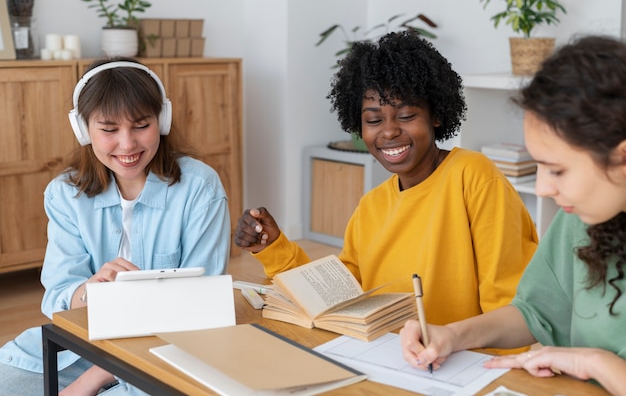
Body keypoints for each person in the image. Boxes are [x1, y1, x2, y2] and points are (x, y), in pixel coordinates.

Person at [235, 31, 538, 329]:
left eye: (406, 116)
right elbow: (339, 293)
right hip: (388, 356)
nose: (389, 131)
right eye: (374, 120)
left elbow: (509, 299)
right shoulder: (372, 206)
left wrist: (499, 372)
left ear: (436, 115)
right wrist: (273, 246)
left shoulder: (475, 177)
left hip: (463, 363)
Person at [399, 35, 626, 395]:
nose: (542, 189)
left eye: (558, 170)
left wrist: (596, 363)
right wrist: (452, 334)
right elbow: (535, 311)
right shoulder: (582, 216)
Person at [0, 58, 231, 395]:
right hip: (82, 346)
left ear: (162, 121)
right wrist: (89, 290)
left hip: (168, 350)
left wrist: (93, 379)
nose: (127, 145)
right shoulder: (66, 193)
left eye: (141, 125)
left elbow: (199, 310)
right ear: (83, 129)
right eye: (109, 130)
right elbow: (57, 298)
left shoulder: (200, 187)